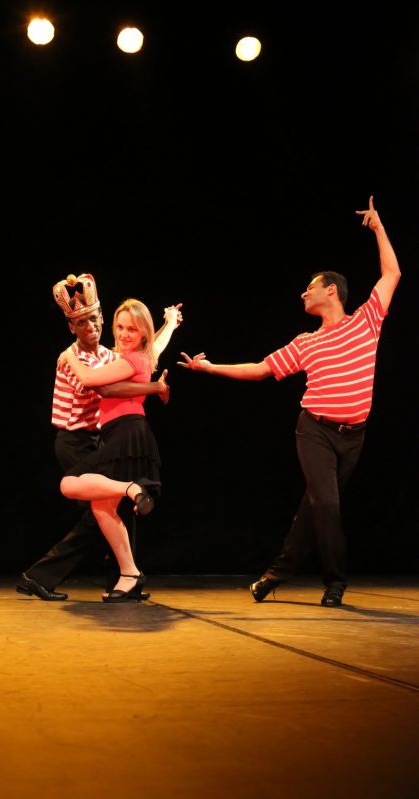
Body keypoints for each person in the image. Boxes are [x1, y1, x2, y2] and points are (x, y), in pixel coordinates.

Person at [178, 196, 401, 607]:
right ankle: (335, 582)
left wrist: (378, 227)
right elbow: (261, 368)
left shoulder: (367, 320)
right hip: (314, 430)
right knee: (327, 504)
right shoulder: (305, 342)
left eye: (309, 287)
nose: (302, 293)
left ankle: (273, 575)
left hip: (353, 437)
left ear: (330, 291)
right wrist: (210, 369)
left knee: (315, 508)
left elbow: (392, 272)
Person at [17, 273, 181, 601]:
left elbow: (146, 355)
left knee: (114, 508)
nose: (88, 326)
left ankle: (122, 578)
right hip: (74, 440)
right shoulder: (71, 359)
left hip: (101, 439)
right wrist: (154, 386)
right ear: (71, 328)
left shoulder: (109, 356)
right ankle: (45, 576)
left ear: (101, 319)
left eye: (92, 319)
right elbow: (102, 385)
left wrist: (170, 325)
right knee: (101, 508)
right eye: (79, 323)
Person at [58, 295, 179, 603]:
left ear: (142, 334)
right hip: (126, 433)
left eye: (132, 330)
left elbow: (89, 380)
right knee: (102, 507)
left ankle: (129, 488)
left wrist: (67, 356)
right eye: (120, 327)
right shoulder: (139, 357)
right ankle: (129, 574)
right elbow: (158, 346)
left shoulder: (130, 360)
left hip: (126, 432)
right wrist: (171, 324)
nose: (125, 334)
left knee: (69, 484)